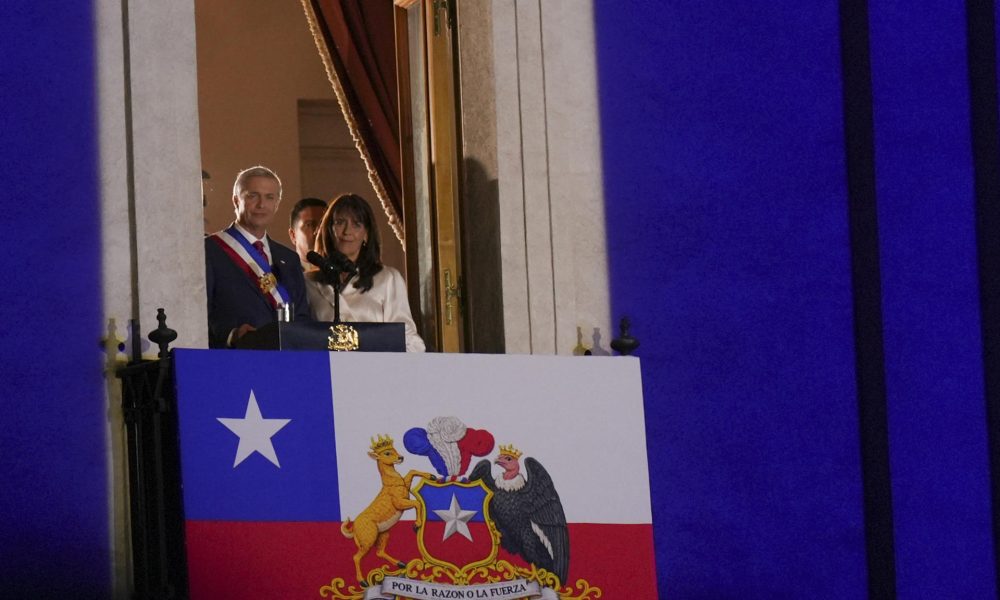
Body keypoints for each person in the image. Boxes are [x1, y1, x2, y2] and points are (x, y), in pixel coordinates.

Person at [205, 165, 310, 348]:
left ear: (277, 203)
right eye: (253, 196)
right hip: (234, 360)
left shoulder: (289, 258)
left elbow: (301, 316)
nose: (261, 205)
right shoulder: (210, 250)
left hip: (284, 360)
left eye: (269, 197)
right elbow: (198, 312)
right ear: (236, 201)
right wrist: (231, 334)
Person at [306, 193, 425, 352]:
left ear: (366, 234)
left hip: (375, 369)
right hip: (326, 371)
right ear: (329, 229)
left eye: (356, 224)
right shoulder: (309, 282)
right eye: (340, 222)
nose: (347, 231)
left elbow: (409, 341)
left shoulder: (387, 278)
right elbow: (301, 337)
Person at [288, 197, 327, 270]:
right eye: (310, 225)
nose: (319, 231)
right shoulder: (281, 274)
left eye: (324, 224)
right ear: (293, 235)